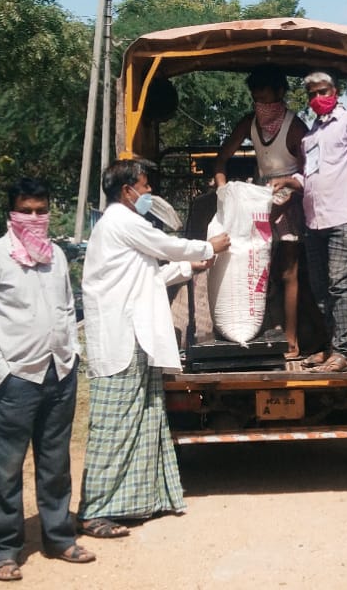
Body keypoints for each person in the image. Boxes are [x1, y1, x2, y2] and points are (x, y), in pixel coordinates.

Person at [78, 159, 230, 539]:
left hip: (134, 336)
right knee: (114, 426)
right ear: (126, 190)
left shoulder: (122, 227)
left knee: (143, 417)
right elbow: (166, 246)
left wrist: (189, 268)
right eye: (144, 187)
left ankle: (133, 502)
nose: (148, 194)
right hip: (120, 337)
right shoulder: (121, 221)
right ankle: (95, 510)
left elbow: (148, 276)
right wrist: (206, 247)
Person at [0, 178, 95, 581]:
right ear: (11, 213)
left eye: (41, 210)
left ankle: (58, 536)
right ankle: (5, 549)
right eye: (27, 210)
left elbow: (65, 306)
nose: (35, 218)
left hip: (59, 372)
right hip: (15, 379)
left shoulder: (55, 255)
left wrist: (71, 354)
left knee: (55, 462)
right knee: (6, 470)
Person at [270, 71, 347, 372]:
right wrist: (289, 181)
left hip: (344, 217)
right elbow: (311, 175)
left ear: (336, 91)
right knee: (321, 289)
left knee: (342, 287)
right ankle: (330, 346)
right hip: (315, 220)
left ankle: (343, 352)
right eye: (312, 94)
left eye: (323, 92)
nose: (318, 99)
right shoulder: (312, 135)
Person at [213, 67, 309, 359]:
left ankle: (292, 340)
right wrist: (224, 191)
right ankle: (264, 327)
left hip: (292, 200)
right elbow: (221, 161)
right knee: (258, 268)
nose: (260, 106)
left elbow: (310, 172)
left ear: (280, 95)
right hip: (261, 202)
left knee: (288, 271)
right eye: (255, 99)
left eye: (265, 99)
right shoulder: (249, 123)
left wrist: (290, 194)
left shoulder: (296, 128)